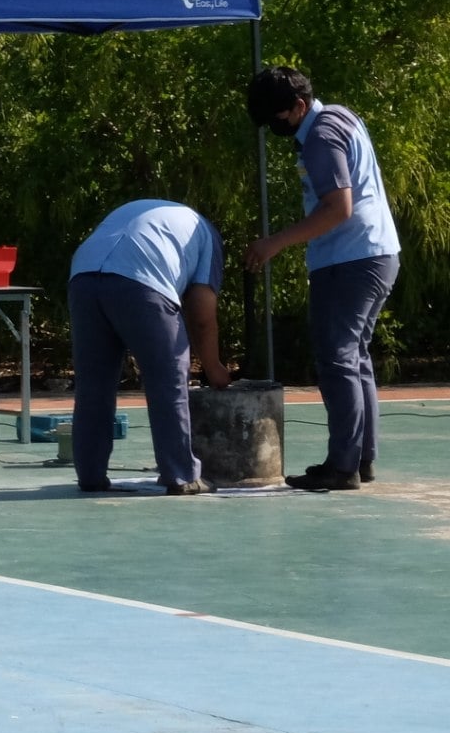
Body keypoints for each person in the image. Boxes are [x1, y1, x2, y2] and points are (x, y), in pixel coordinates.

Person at [244, 66, 400, 491]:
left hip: (351, 259)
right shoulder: (342, 116)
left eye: (279, 117)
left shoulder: (320, 135)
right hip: (376, 253)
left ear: (298, 106)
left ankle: (343, 465)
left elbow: (337, 208)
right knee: (356, 357)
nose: (276, 127)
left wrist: (274, 243)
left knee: (338, 359)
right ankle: (361, 458)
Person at [67, 199, 231, 495]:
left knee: (94, 385)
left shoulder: (155, 213)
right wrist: (214, 368)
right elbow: (202, 314)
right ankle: (181, 475)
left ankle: (91, 474)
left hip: (83, 276)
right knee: (168, 378)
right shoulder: (207, 235)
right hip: (141, 281)